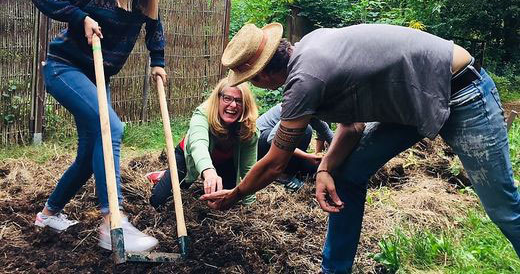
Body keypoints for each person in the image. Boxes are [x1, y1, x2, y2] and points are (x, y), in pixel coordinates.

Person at [201, 23, 520, 272]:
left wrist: (236, 194)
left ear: (266, 74)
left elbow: (274, 163)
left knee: (503, 207)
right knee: (347, 173)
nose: (253, 84)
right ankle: (334, 270)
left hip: (462, 91)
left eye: (251, 78)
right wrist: (326, 167)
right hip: (411, 106)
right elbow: (352, 127)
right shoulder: (311, 48)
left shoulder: (305, 77)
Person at [32, 0, 166, 252]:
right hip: (64, 68)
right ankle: (112, 221)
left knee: (88, 156)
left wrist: (157, 60)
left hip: (98, 77)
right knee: (112, 129)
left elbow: (155, 25)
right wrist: (81, 17)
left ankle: (47, 215)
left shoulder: (144, 0)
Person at [149, 78, 259, 208]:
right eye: (227, 98)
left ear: (246, 105)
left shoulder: (248, 128)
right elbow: (198, 145)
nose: (233, 105)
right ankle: (162, 175)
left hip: (224, 163)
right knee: (159, 201)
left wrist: (250, 207)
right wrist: (209, 172)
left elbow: (249, 170)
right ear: (218, 99)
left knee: (226, 204)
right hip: (189, 157)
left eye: (239, 101)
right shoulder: (202, 114)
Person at [257, 103, 333, 191]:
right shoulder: (296, 108)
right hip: (262, 144)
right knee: (306, 129)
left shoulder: (313, 113)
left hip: (282, 148)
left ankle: (291, 170)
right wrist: (306, 156)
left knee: (312, 169)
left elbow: (327, 133)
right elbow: (272, 139)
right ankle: (283, 176)